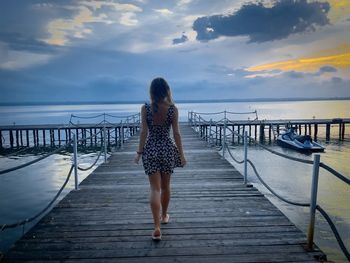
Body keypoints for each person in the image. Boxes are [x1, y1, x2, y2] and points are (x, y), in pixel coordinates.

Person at [134, 77, 186, 241]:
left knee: (155, 189)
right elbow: (176, 133)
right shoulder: (172, 109)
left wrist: (139, 152)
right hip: (167, 149)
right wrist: (182, 155)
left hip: (151, 150)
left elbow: (143, 132)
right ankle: (164, 216)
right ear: (166, 90)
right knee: (166, 187)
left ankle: (156, 226)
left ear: (152, 91)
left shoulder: (145, 108)